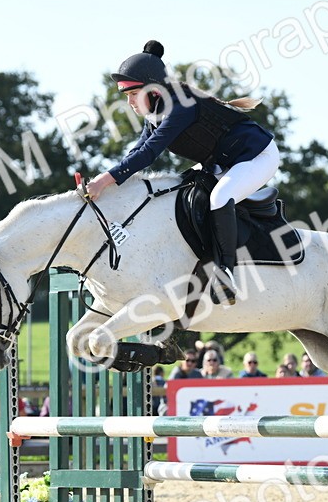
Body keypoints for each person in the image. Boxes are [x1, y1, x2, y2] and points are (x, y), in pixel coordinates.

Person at [84, 40, 280, 306]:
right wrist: (105, 182)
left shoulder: (180, 108)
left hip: (256, 155)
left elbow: (149, 153)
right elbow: (136, 151)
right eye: (127, 96)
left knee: (220, 197)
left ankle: (225, 273)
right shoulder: (155, 113)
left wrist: (105, 180)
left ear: (153, 91)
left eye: (133, 94)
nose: (129, 102)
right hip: (222, 162)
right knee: (180, 190)